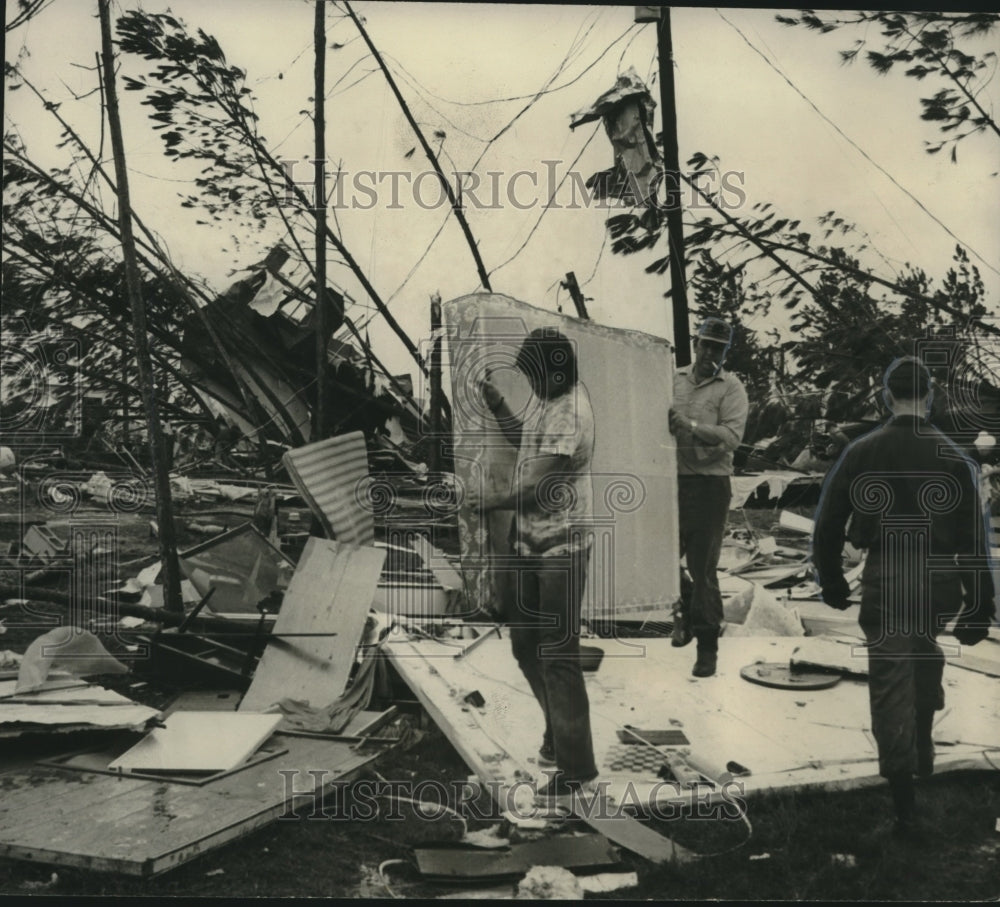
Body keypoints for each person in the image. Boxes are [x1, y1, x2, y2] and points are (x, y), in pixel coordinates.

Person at [813, 357, 996, 837]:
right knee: (922, 650)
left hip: (888, 575)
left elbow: (827, 522)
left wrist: (831, 579)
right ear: (930, 397)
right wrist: (980, 605)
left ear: (886, 397)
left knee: (890, 681)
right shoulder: (955, 457)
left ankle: (905, 807)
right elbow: (976, 539)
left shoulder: (861, 451)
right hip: (939, 582)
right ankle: (923, 745)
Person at [470, 327, 598, 800]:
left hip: (561, 547)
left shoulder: (571, 411)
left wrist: (490, 501)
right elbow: (531, 444)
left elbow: (537, 485)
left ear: (555, 371)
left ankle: (577, 768)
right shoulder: (552, 399)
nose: (534, 386)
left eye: (536, 376)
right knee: (525, 644)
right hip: (528, 543)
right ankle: (555, 734)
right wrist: (501, 406)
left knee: (558, 653)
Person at [668, 317, 749, 677]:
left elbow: (732, 437)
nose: (710, 353)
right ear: (696, 343)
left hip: (709, 487)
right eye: (706, 344)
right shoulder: (672, 379)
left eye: (719, 347)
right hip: (669, 484)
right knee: (660, 562)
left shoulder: (731, 388)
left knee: (704, 571)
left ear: (725, 351)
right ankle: (686, 611)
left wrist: (691, 426)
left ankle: (707, 647)